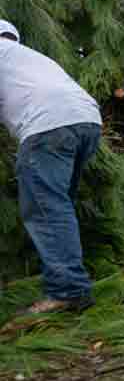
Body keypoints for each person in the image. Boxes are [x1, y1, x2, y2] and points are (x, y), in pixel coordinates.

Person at [0, 19, 103, 315]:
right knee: (58, 206)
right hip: (87, 120)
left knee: (46, 210)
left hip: (48, 124)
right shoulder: (29, 57)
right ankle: (71, 285)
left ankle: (67, 291)